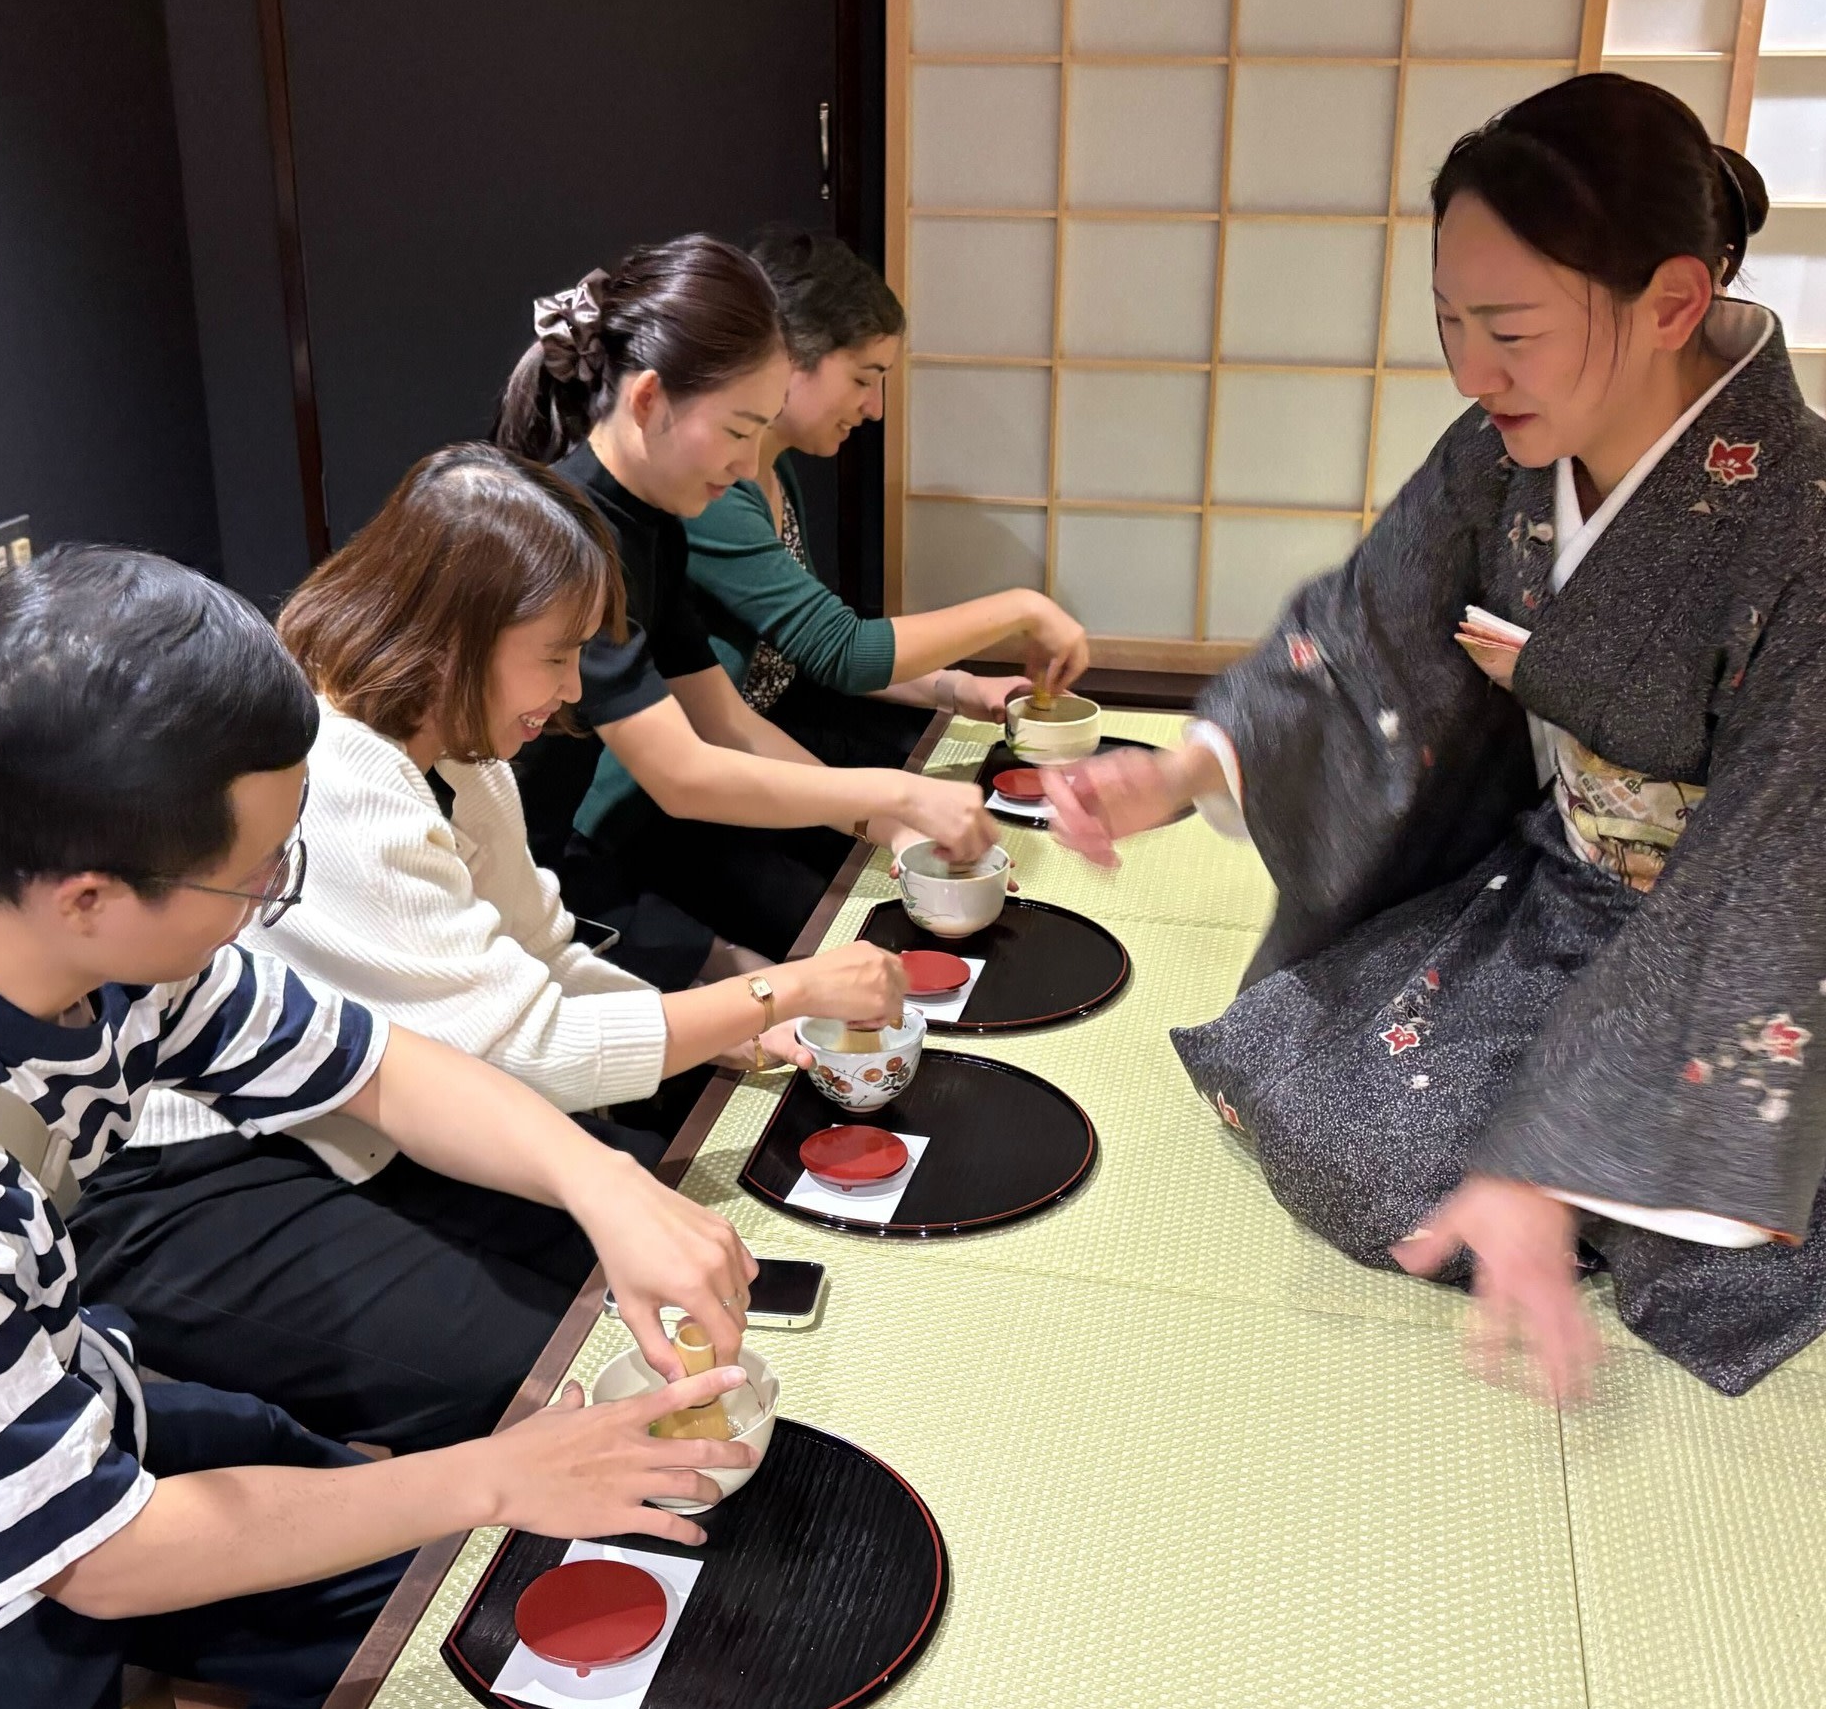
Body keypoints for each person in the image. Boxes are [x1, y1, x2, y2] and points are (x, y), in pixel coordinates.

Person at [0, 547, 760, 1709]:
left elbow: (374, 1066)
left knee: (439, 1583)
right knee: (457, 1536)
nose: (271, 901)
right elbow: (98, 1560)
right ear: (87, 895)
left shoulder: (46, 930)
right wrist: (500, 1479)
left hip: (49, 1395)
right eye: (256, 878)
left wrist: (607, 1188)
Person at [1044, 74, 1826, 1404]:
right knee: (1299, 1085)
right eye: (1451, 324)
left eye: (1512, 329)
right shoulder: (1505, 455)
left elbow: (1793, 865)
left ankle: (1824, 1139)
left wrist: (1551, 1158)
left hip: (1752, 941)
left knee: (1511, 1187)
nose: (1475, 371)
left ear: (1670, 302)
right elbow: (1366, 626)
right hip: (1569, 877)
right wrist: (1189, 764)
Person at [77, 448, 905, 1451]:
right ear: (454, 635)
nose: (572, 692)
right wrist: (768, 997)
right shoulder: (338, 777)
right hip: (197, 1168)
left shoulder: (463, 759)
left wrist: (731, 1036)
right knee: (544, 1374)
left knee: (670, 1224)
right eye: (556, 656)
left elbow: (538, 965)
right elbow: (531, 1051)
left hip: (355, 1104)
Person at [498, 233, 995, 977]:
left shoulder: (653, 524)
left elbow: (723, 718)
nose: (745, 463)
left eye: (760, 432)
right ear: (648, 399)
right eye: (737, 430)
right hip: (526, 876)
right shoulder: (573, 537)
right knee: (779, 986)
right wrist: (893, 793)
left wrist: (881, 818)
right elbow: (681, 772)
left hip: (560, 858)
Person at [671, 225, 1092, 776]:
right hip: (682, 796)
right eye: (864, 379)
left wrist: (960, 689)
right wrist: (1021, 608)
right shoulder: (713, 493)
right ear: (789, 358)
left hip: (770, 738)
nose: (875, 408)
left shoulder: (770, 470)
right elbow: (841, 650)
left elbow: (814, 639)